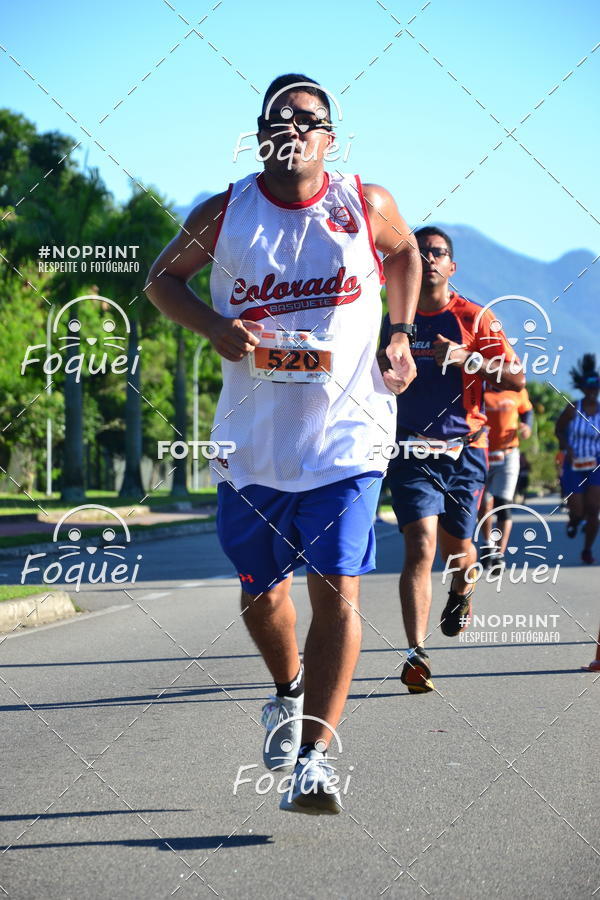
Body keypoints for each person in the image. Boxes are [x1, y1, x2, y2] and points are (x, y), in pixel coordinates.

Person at [145, 73, 421, 814]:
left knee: (338, 590)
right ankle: (287, 690)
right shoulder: (225, 212)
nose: (293, 125)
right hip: (253, 446)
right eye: (279, 116)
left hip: (348, 439)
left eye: (309, 117)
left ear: (330, 137)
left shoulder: (364, 204)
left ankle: (315, 759)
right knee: (262, 595)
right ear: (261, 132)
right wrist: (214, 328)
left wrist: (399, 332)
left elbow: (404, 257)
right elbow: (160, 281)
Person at [379, 226, 524, 694]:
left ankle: (462, 590)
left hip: (466, 450)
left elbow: (517, 378)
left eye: (439, 253)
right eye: (422, 254)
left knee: (456, 553)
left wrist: (468, 358)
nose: (431, 259)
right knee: (420, 545)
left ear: (452, 265)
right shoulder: (393, 320)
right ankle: (414, 653)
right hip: (411, 450)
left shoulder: (476, 318)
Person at [478, 384, 533, 567]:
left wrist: (527, 427)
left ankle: (499, 554)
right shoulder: (480, 387)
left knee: (503, 504)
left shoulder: (517, 390)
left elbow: (527, 412)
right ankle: (487, 545)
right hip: (482, 452)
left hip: (508, 454)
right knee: (484, 504)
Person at [555, 353, 600, 565]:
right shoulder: (573, 409)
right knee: (579, 510)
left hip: (596, 465)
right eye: (589, 389)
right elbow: (559, 429)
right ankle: (574, 520)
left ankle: (587, 549)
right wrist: (566, 447)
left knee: (593, 510)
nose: (593, 392)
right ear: (583, 389)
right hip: (574, 464)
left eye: (596, 388)